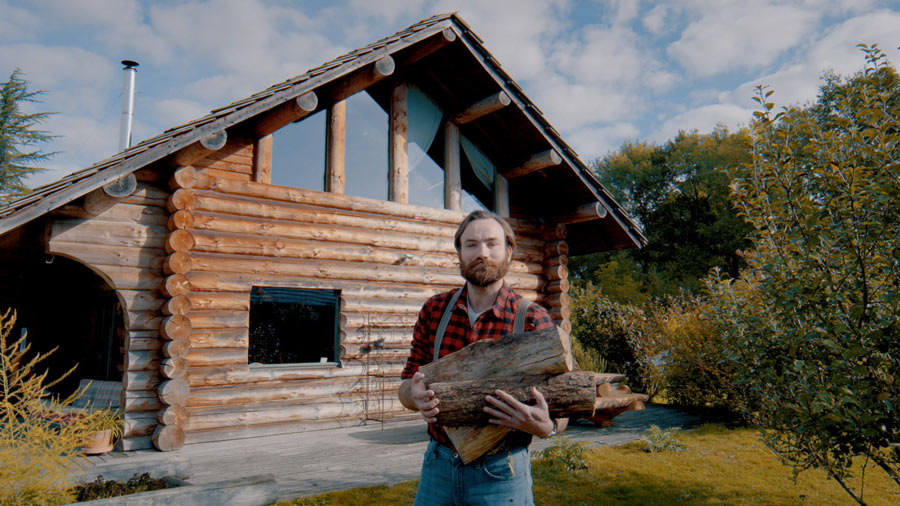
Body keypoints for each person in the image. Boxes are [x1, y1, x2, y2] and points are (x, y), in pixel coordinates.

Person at [399, 210, 568, 505]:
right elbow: (406, 387)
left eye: (492, 244)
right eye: (472, 245)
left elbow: (563, 402)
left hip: (502, 472)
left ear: (508, 252)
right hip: (438, 466)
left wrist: (547, 427)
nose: (482, 253)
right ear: (460, 253)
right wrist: (414, 396)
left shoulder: (532, 318)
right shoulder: (434, 311)